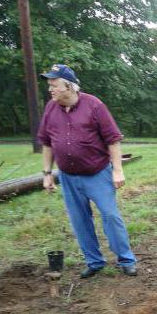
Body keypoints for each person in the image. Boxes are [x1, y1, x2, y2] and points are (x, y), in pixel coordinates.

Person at [38, 64, 137, 278]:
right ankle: (94, 262)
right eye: (49, 85)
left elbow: (113, 139)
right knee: (79, 220)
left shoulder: (94, 106)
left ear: (70, 87)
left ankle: (126, 259)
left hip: (98, 173)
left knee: (110, 216)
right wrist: (47, 173)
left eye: (54, 85)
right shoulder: (51, 108)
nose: (50, 89)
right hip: (68, 177)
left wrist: (117, 170)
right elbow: (47, 143)